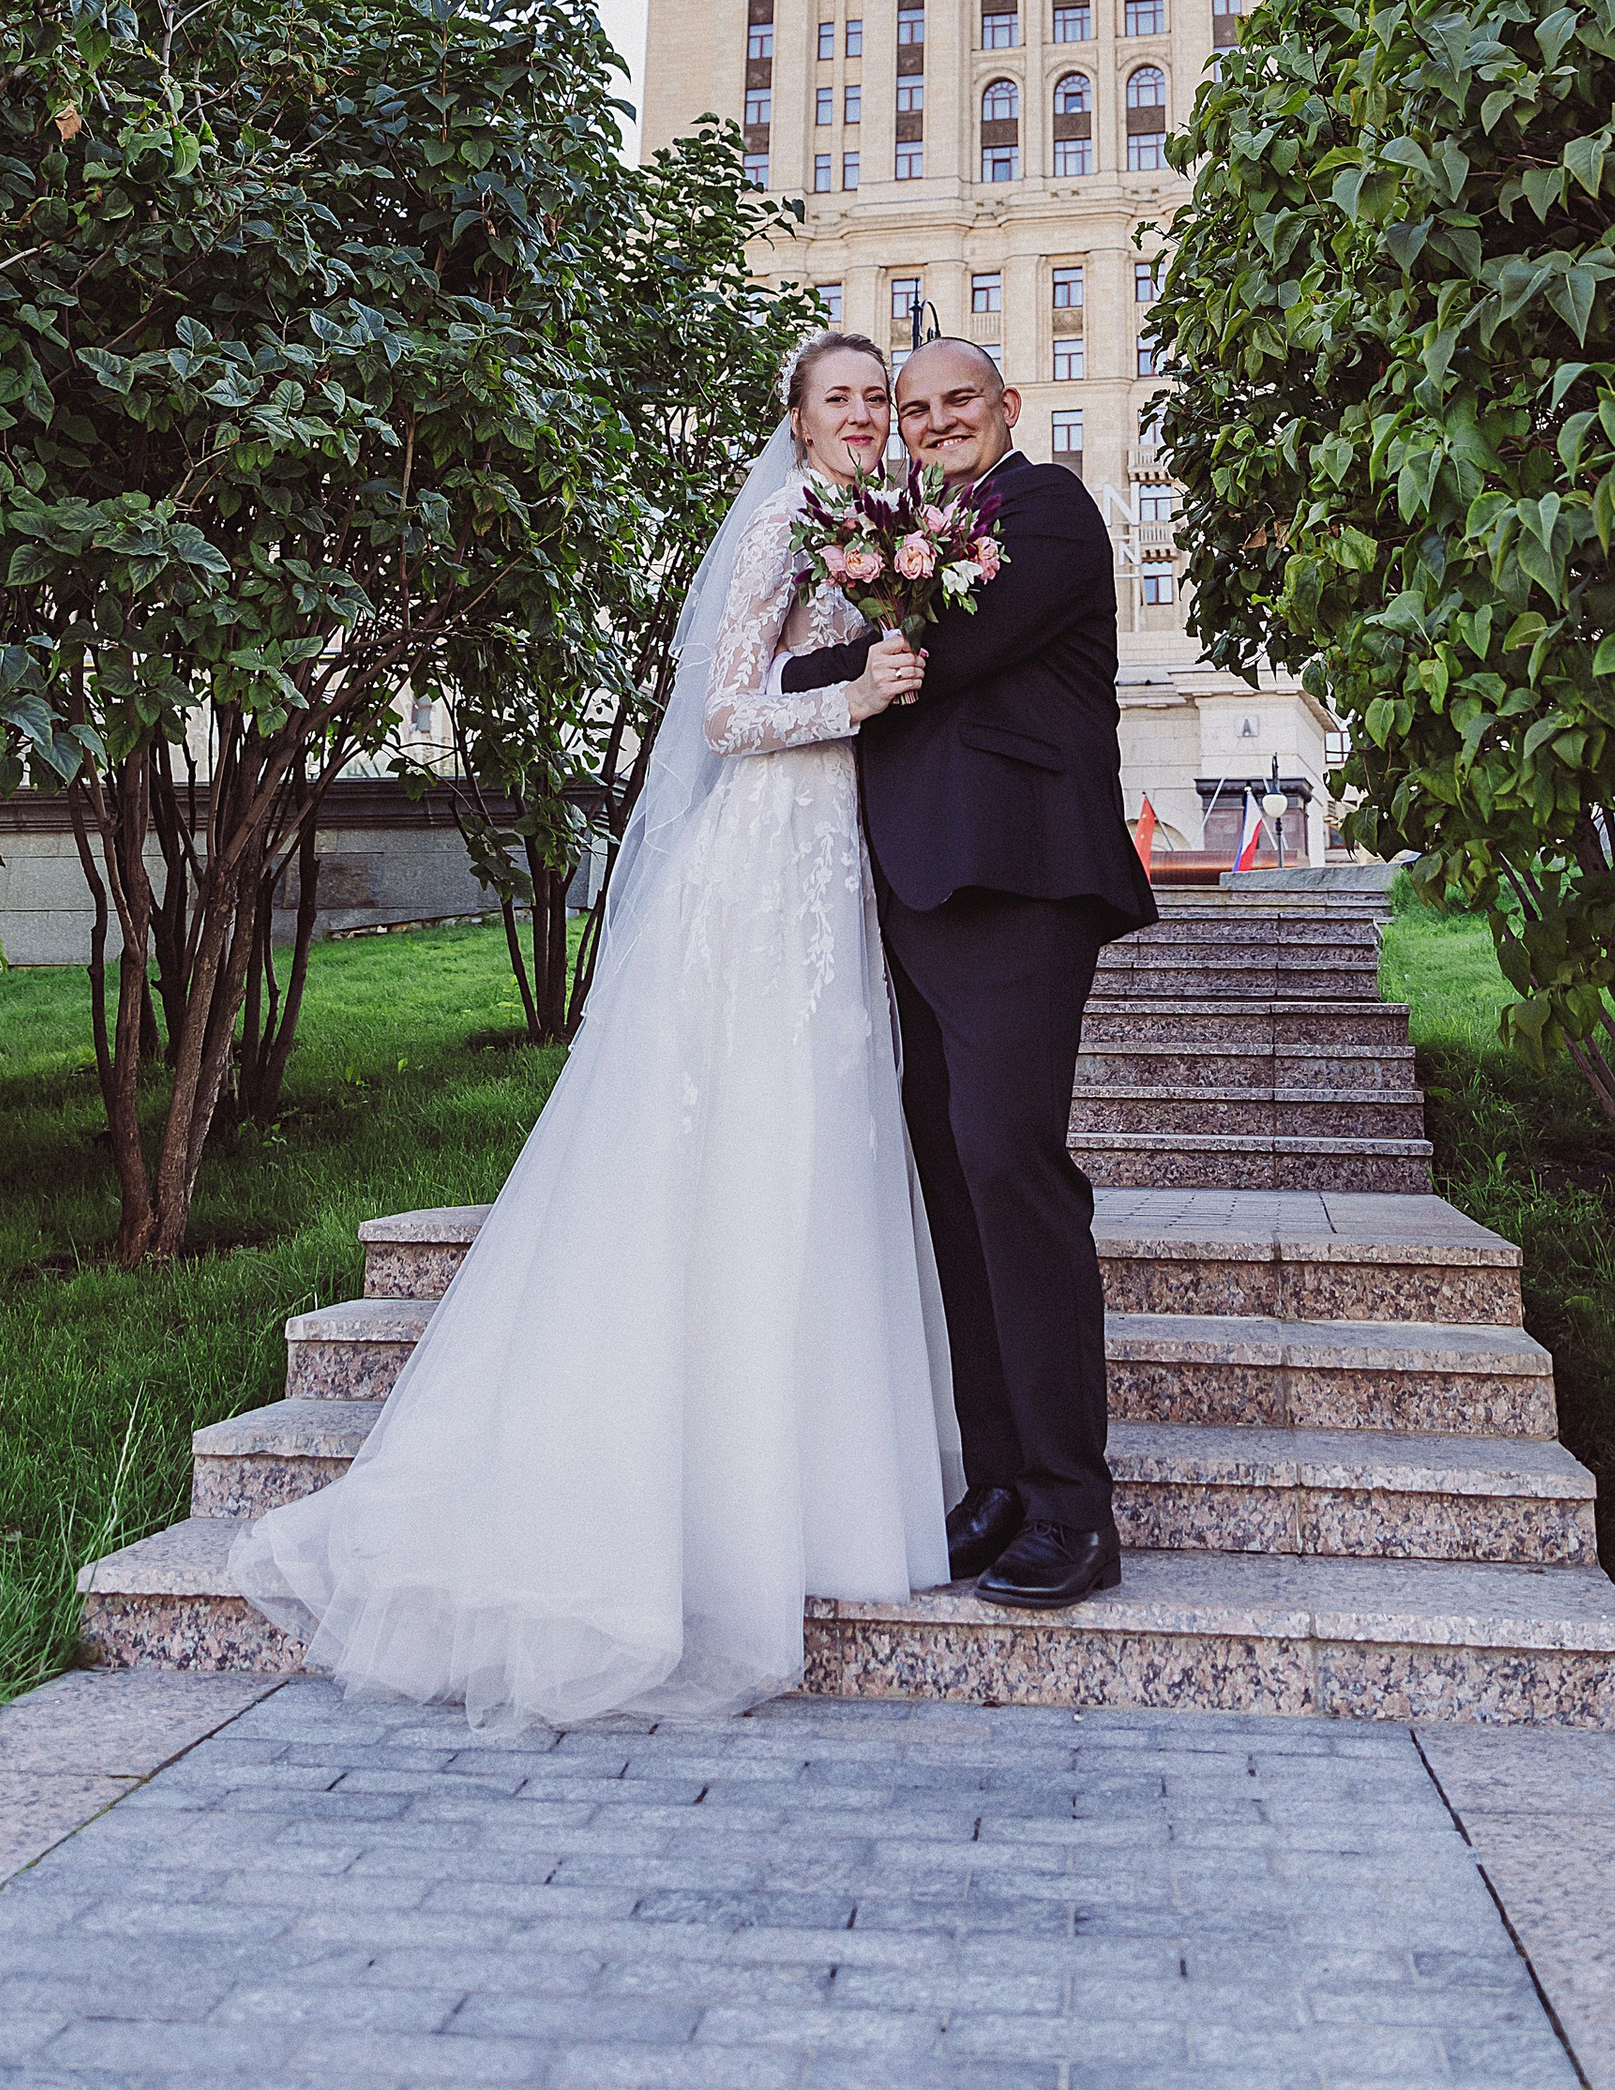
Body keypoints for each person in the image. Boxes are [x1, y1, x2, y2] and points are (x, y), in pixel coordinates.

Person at [230, 331, 956, 1726]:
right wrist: (857, 693)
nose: (866, 416)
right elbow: (726, 711)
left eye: (879, 398)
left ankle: (822, 1490)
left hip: (832, 857)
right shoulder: (781, 524)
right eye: (841, 399)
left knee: (827, 1131)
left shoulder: (882, 525)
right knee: (745, 1128)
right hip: (760, 859)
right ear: (795, 418)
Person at [779, 337, 1153, 1607]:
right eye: (912, 405)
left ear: (1005, 408)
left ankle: (1071, 1506)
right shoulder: (902, 529)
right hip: (918, 892)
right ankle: (994, 1482)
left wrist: (799, 679)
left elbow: (937, 654)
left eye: (955, 402)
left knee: (1011, 1166)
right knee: (955, 1185)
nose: (931, 421)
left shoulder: (1043, 511)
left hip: (1017, 883)